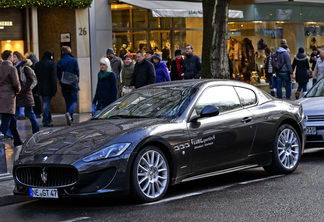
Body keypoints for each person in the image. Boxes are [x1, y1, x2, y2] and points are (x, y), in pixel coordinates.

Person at [12, 51, 40, 134]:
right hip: (19, 94)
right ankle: (13, 133)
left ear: (19, 58)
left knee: (30, 113)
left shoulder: (24, 67)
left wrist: (23, 89)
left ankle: (36, 131)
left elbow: (30, 79)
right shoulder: (14, 67)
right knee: (15, 114)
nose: (13, 59)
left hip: (25, 94)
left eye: (14, 57)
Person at [0, 50, 22, 147]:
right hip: (9, 97)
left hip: (1, 96)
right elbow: (16, 83)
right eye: (12, 56)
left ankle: (17, 140)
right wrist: (18, 90)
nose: (13, 58)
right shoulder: (12, 68)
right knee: (6, 120)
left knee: (12, 120)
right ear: (9, 57)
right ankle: (0, 138)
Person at [57, 46, 80, 125]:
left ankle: (71, 119)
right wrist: (77, 82)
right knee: (75, 100)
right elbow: (77, 72)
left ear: (62, 52)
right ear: (70, 52)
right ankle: (70, 114)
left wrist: (62, 82)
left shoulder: (59, 62)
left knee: (68, 102)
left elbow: (58, 74)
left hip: (64, 85)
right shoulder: (74, 60)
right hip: (73, 84)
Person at [35, 50, 57, 127]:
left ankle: (48, 118)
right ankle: (45, 121)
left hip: (40, 87)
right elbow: (53, 77)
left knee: (45, 102)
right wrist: (54, 89)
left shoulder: (38, 64)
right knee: (46, 104)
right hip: (49, 87)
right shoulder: (52, 64)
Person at [25, 52, 42, 118]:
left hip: (33, 83)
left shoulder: (31, 63)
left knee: (35, 97)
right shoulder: (37, 61)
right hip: (38, 82)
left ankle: (36, 112)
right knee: (37, 97)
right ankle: (38, 112)